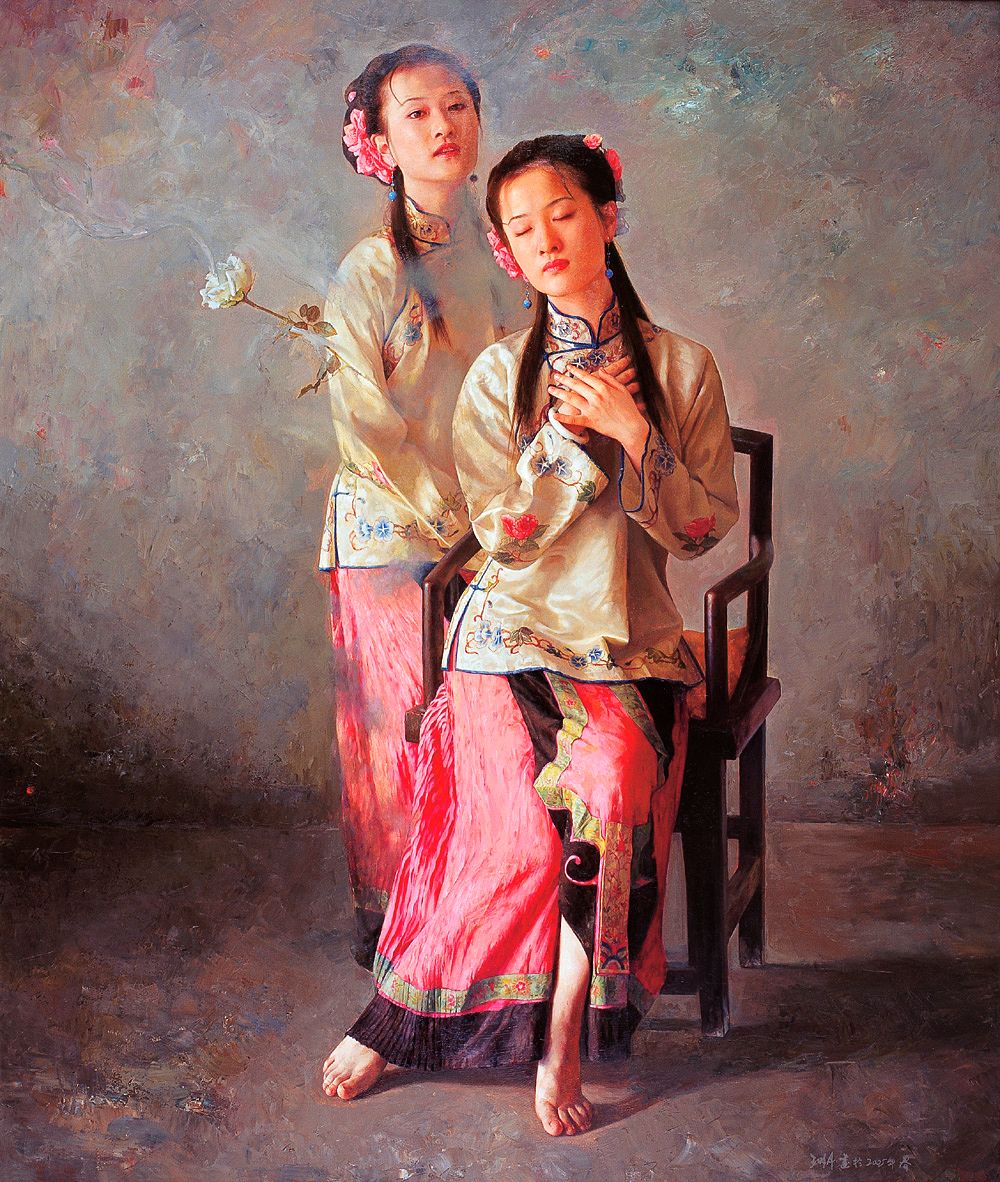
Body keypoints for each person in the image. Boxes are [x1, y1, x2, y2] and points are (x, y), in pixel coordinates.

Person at [322, 133, 738, 1138]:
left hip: (624, 644)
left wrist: (636, 434)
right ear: (505, 253)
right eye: (520, 227)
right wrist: (565, 445)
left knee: (611, 785)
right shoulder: (498, 377)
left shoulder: (681, 367)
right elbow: (501, 539)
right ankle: (400, 1017)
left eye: (564, 213)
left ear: (607, 218)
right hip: (505, 634)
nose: (546, 239)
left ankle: (564, 1037)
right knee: (503, 813)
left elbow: (699, 531)